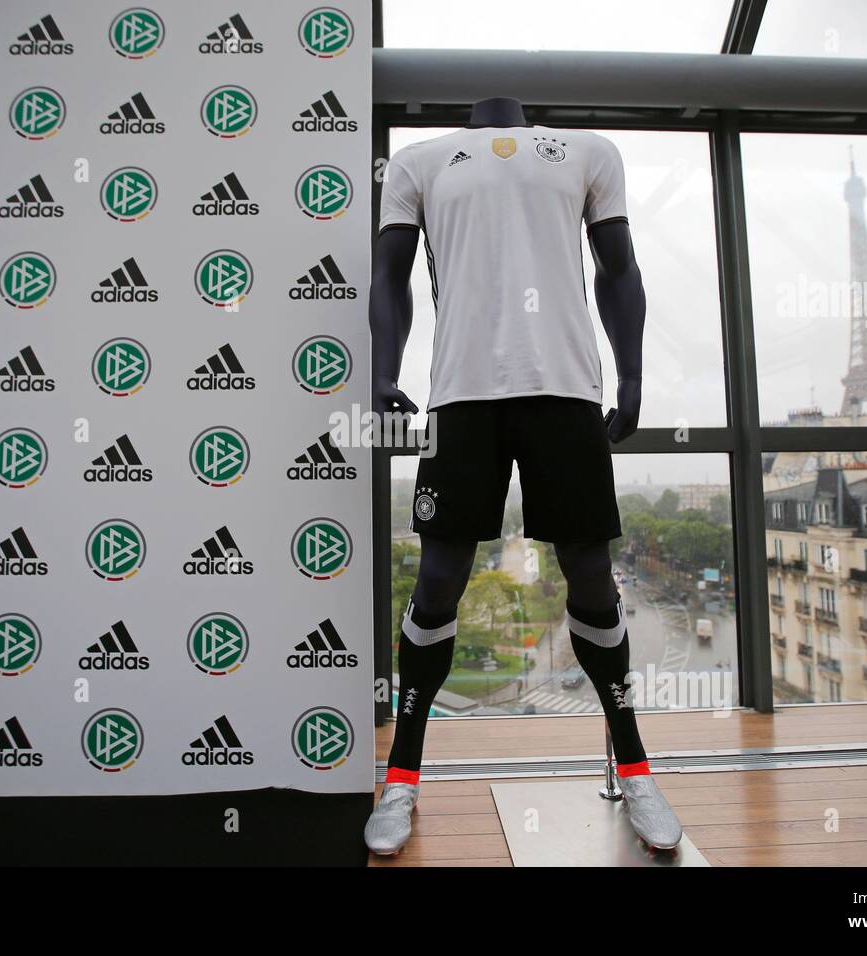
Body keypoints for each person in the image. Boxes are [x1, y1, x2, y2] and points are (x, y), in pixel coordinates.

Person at [365, 96, 683, 856]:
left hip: (565, 390)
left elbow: (619, 267)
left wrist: (632, 373)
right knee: (438, 580)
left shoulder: (587, 150)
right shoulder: (416, 161)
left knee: (593, 579)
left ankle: (635, 769)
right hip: (462, 393)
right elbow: (389, 277)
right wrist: (382, 369)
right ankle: (401, 778)